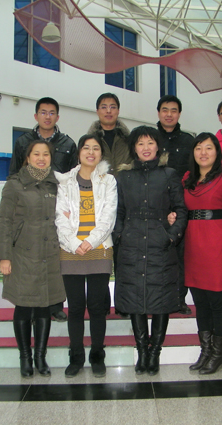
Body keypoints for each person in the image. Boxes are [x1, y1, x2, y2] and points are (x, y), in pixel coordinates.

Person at [113, 126, 188, 376]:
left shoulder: (169, 174)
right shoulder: (124, 177)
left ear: (158, 146)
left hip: (160, 244)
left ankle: (155, 352)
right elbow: (118, 211)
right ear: (133, 148)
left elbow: (181, 209)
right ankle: (142, 352)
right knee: (136, 300)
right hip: (131, 243)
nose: (146, 148)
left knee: (160, 300)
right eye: (140, 143)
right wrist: (120, 235)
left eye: (150, 143)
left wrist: (171, 236)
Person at [0, 140, 66, 378]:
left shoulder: (56, 184)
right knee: (24, 307)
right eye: (36, 154)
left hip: (49, 254)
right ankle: (25, 357)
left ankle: (40, 357)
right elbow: (4, 221)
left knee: (44, 306)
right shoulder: (14, 185)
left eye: (46, 154)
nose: (41, 158)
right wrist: (4, 257)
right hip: (23, 255)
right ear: (27, 158)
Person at [55, 134, 118, 378]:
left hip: (99, 249)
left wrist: (90, 241)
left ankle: (97, 355)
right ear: (79, 152)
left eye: (96, 148)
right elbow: (60, 217)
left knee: (97, 307)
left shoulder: (108, 181)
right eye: (86, 148)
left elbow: (109, 217)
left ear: (101, 154)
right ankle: (76, 357)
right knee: (75, 308)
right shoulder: (65, 181)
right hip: (70, 251)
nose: (91, 152)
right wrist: (75, 244)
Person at [10, 96, 77, 323]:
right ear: (36, 115)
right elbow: (14, 174)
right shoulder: (23, 142)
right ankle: (29, 303)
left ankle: (55, 305)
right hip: (29, 207)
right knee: (30, 258)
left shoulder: (68, 144)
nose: (47, 117)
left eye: (51, 113)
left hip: (57, 207)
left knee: (55, 258)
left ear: (57, 117)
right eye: (43, 112)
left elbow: (72, 179)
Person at [182, 133, 222, 375]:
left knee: (217, 303)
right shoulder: (187, 178)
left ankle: (218, 354)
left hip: (218, 247)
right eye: (198, 148)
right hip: (193, 246)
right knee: (200, 303)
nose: (203, 153)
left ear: (217, 152)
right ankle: (205, 351)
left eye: (208, 148)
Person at [87, 93, 132, 318]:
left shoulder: (129, 139)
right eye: (103, 107)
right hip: (99, 205)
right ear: (97, 111)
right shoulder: (90, 140)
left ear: (118, 110)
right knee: (100, 257)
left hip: (125, 203)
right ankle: (101, 305)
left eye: (112, 107)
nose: (108, 111)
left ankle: (123, 304)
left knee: (124, 258)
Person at [157, 94, 195, 316]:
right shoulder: (151, 138)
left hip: (181, 206)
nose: (169, 114)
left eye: (173, 110)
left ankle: (179, 299)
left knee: (181, 256)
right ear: (158, 113)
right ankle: (157, 298)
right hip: (154, 205)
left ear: (179, 114)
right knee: (157, 255)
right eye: (165, 110)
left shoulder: (189, 141)